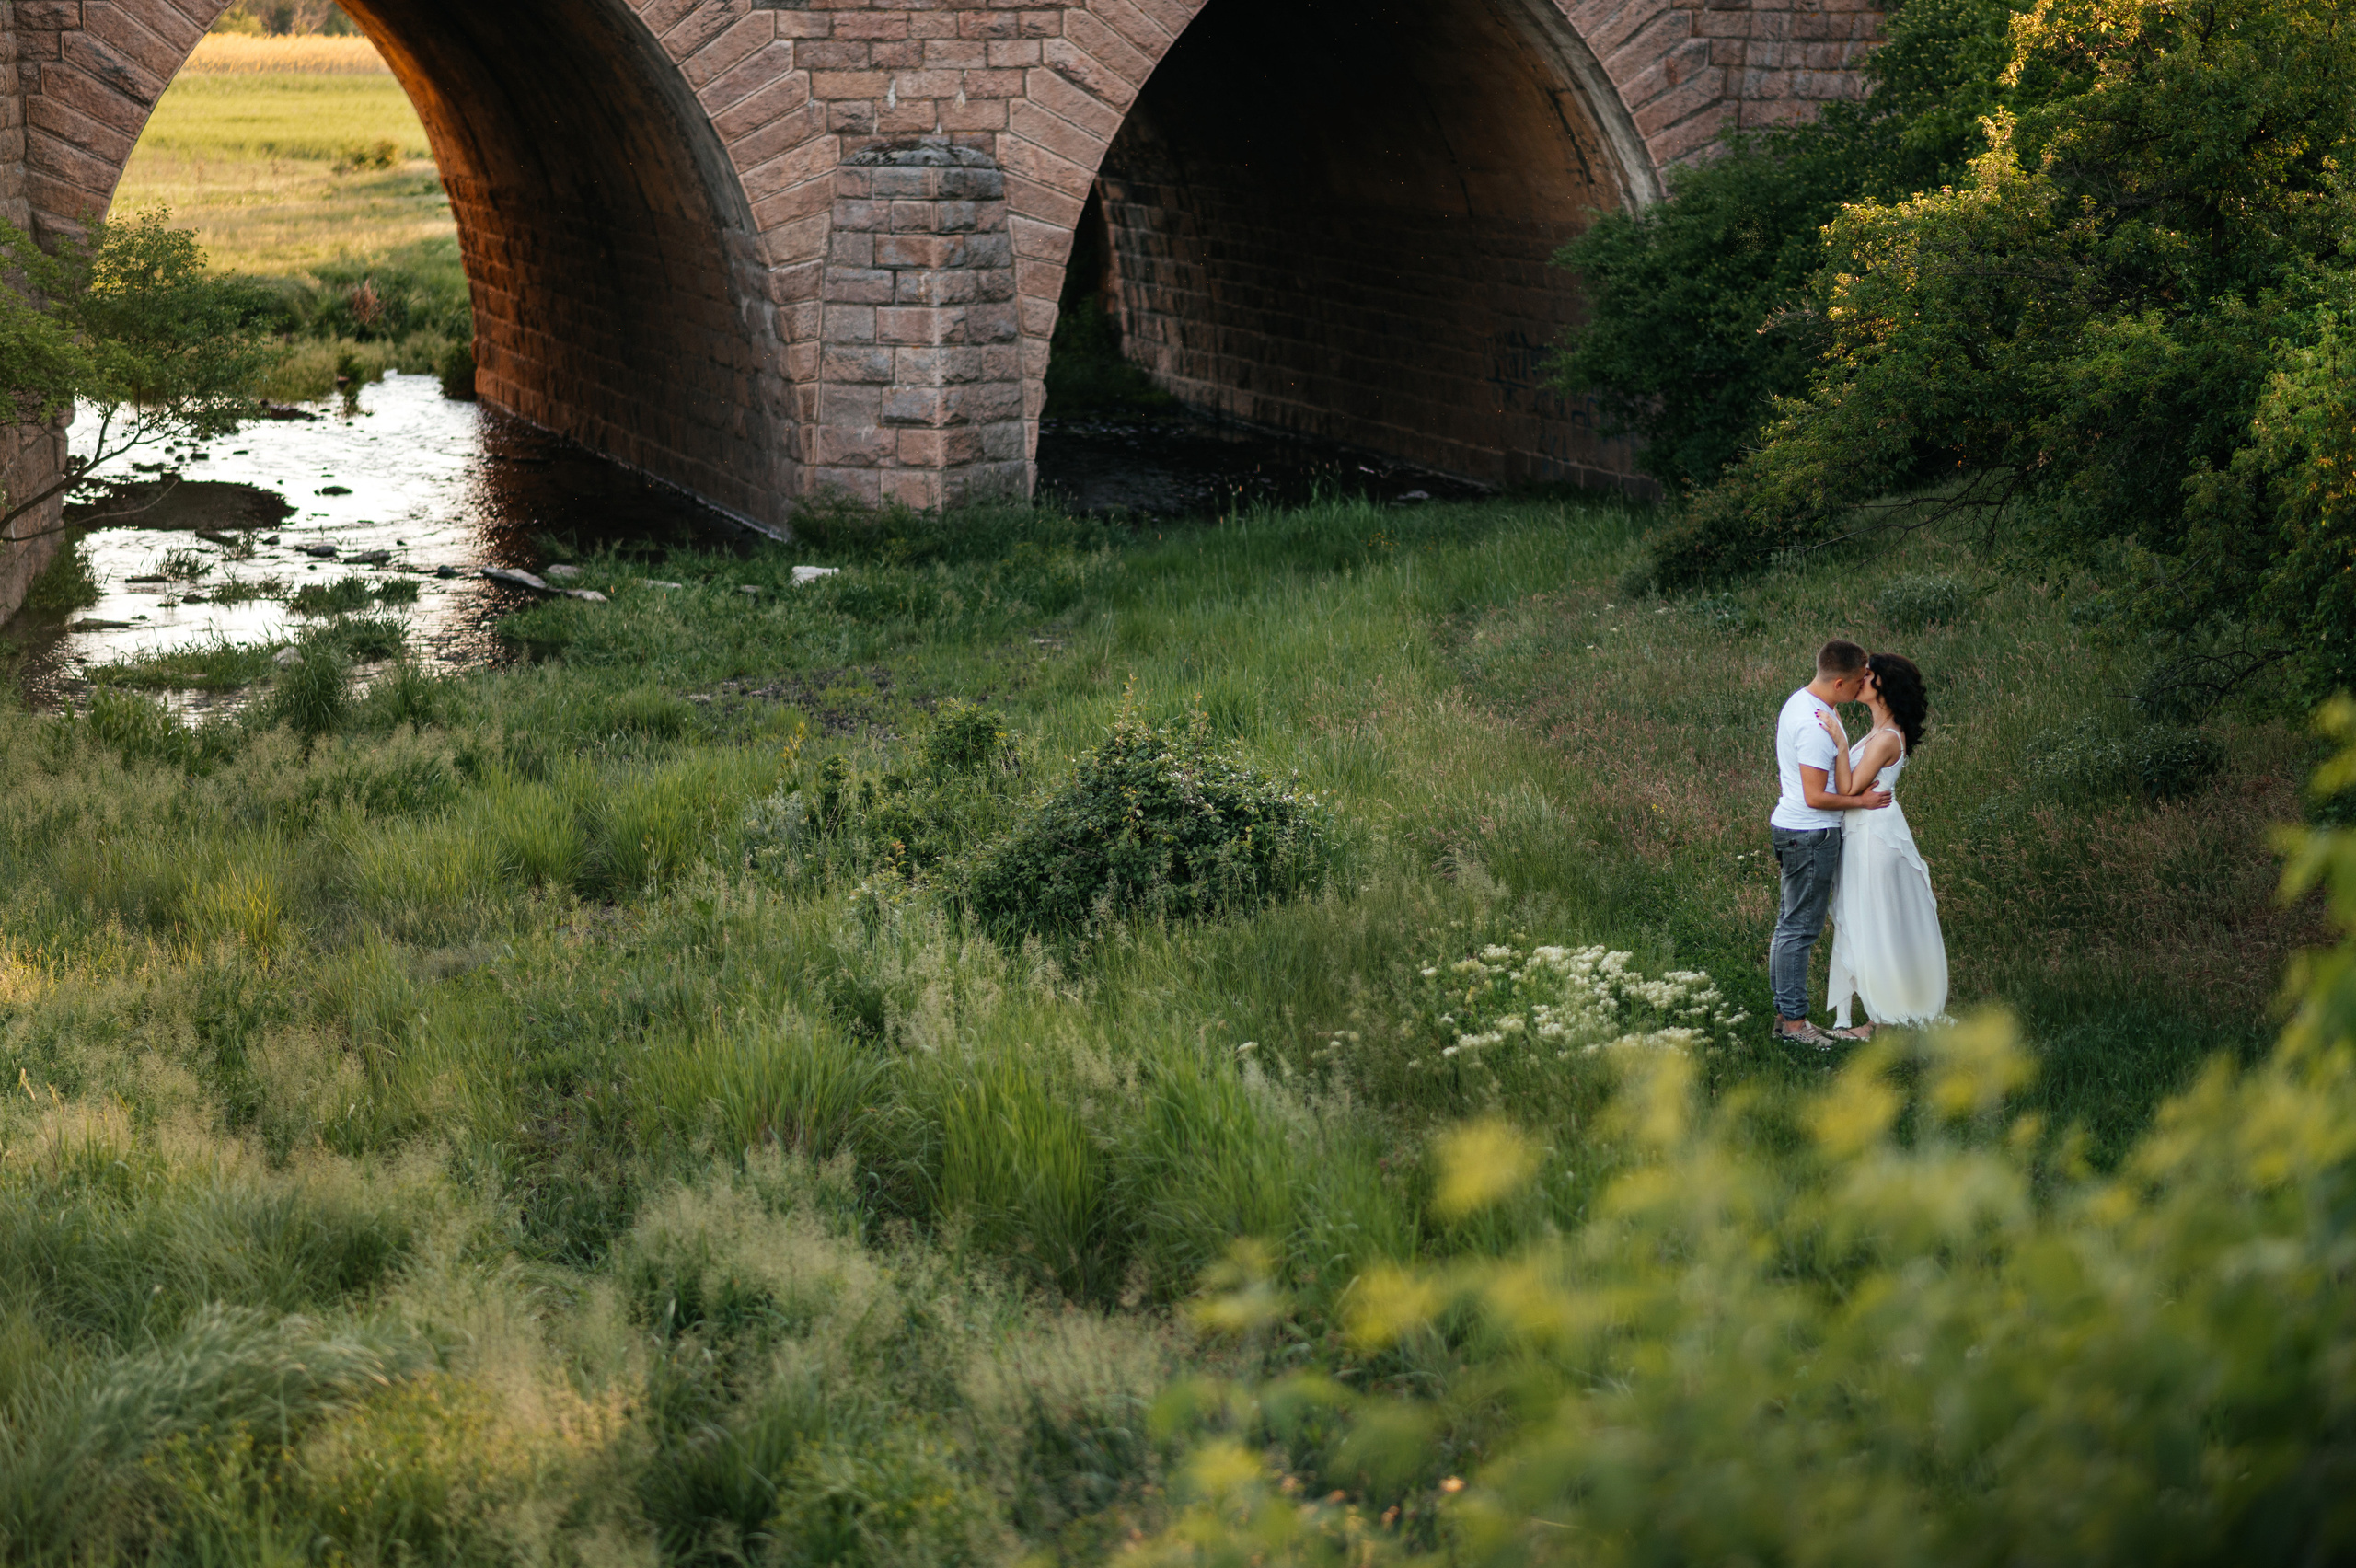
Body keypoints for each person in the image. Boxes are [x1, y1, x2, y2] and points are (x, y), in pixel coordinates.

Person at [1818, 651, 1948, 1036]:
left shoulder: (1888, 738)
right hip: (1865, 833)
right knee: (1868, 921)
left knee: (1877, 922)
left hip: (1876, 838)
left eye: (1869, 674)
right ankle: (1882, 1016)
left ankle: (1883, 1019)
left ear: (1884, 687)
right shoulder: (1878, 733)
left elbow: (1849, 788)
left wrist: (1840, 745)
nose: (1862, 676)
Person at [1769, 640, 1891, 1048]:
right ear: (1838, 682)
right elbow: (1815, 796)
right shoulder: (1814, 726)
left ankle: (1785, 1014)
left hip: (1795, 830)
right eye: (1857, 683)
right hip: (1810, 835)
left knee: (1788, 925)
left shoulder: (1802, 702)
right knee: (1800, 931)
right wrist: (1861, 801)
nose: (1862, 690)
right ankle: (1795, 1025)